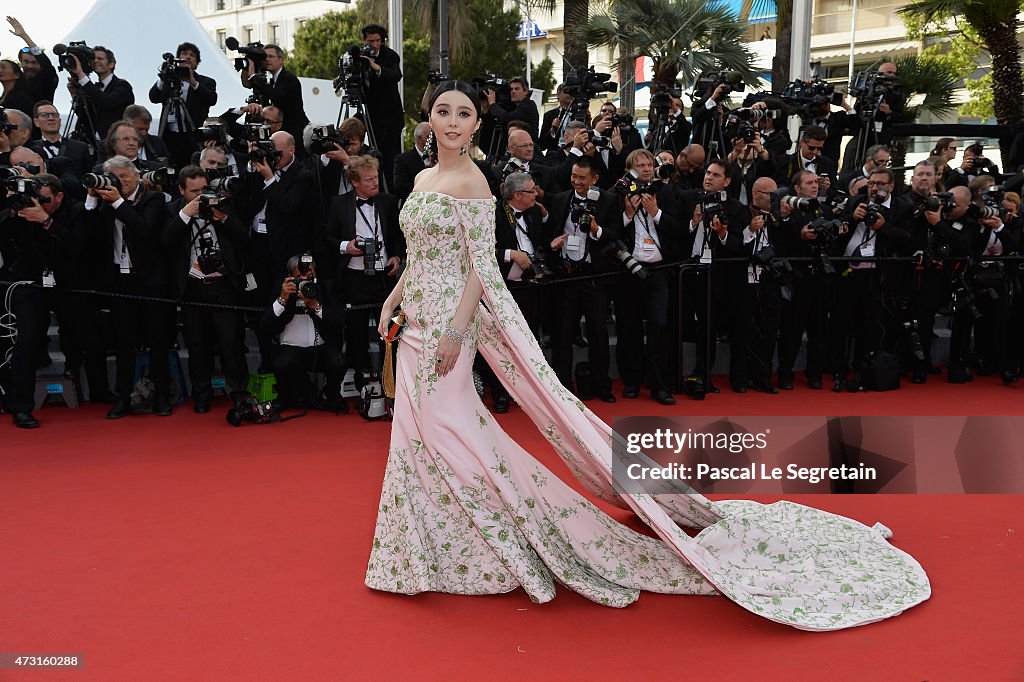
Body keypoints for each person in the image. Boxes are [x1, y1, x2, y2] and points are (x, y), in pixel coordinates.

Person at [366, 80, 930, 630]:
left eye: (464, 113)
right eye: (444, 111)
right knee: (420, 432)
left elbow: (478, 268)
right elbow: (417, 255)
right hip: (413, 316)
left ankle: (503, 541)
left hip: (447, 326)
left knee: (445, 429)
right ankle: (437, 543)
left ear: (476, 123)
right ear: (430, 117)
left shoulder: (473, 182)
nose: (453, 121)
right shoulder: (421, 177)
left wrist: (457, 333)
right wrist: (392, 298)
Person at [148, 41, 218, 169]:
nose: (187, 57)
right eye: (184, 54)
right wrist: (163, 77)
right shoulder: (169, 81)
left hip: (193, 136)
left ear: (197, 62)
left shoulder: (205, 81)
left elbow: (211, 99)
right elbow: (153, 97)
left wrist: (192, 82)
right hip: (170, 137)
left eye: (191, 55)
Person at [359, 24, 404, 190]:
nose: (375, 45)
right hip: (373, 117)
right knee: (375, 157)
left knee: (391, 159)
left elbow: (395, 75)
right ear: (364, 40)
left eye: (378, 41)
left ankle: (392, 194)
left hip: (391, 118)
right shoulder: (360, 55)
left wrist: (375, 66)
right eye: (371, 41)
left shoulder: (390, 55)